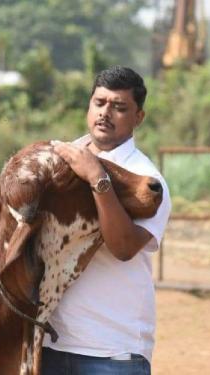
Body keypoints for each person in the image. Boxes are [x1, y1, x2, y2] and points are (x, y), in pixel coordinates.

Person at [42, 66, 171, 375]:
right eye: (99, 103)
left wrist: (98, 177)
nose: (105, 113)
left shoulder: (148, 183)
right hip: (51, 344)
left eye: (119, 107)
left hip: (112, 351)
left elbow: (123, 247)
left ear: (138, 117)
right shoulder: (60, 161)